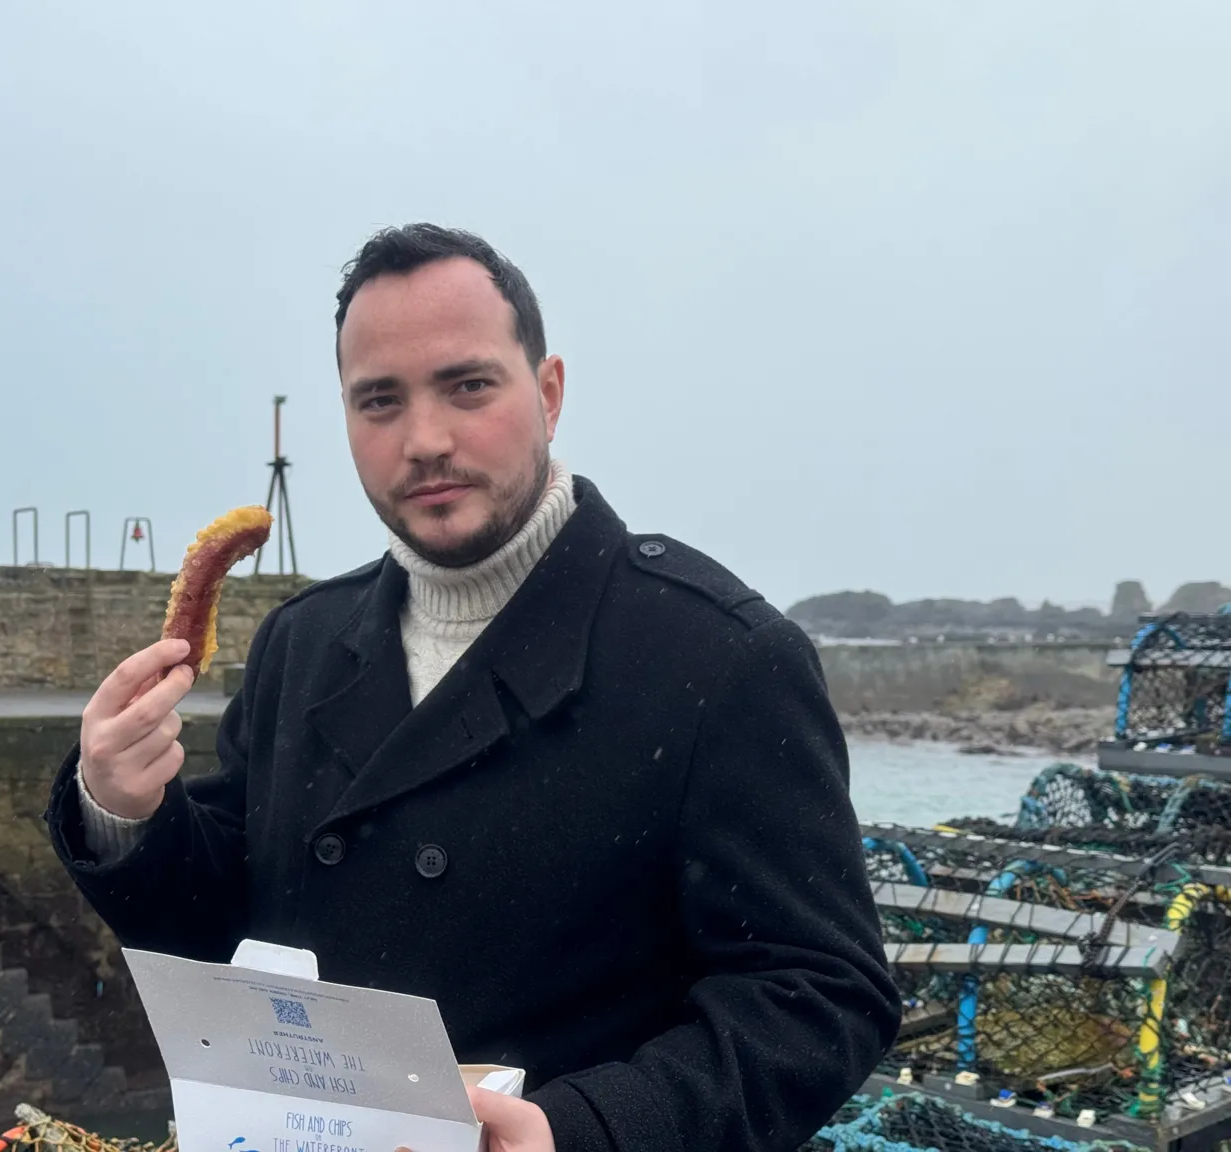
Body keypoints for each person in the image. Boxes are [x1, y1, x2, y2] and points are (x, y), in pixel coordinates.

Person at [45, 223, 900, 1151]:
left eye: (468, 385)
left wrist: (581, 1131)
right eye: (379, 401)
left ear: (549, 391)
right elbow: (223, 927)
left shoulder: (718, 654)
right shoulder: (304, 640)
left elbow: (820, 996)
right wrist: (123, 812)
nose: (425, 439)